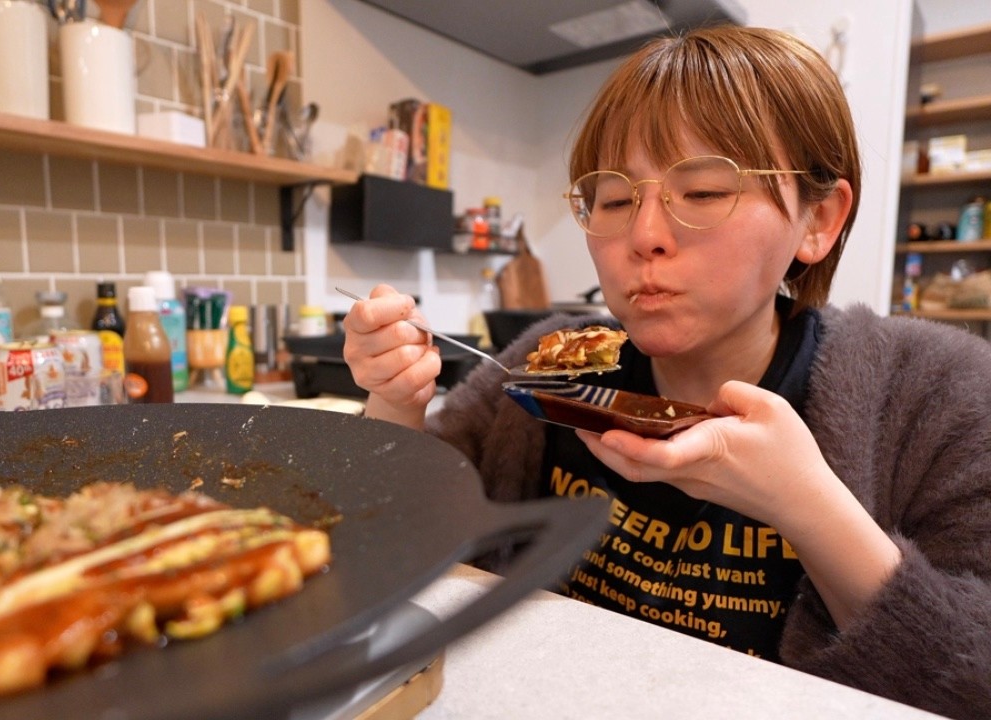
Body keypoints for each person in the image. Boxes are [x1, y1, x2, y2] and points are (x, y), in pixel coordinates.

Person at [341, 25, 991, 719]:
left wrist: (807, 506)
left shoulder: (937, 395)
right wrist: (392, 404)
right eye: (614, 200)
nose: (644, 235)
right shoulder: (541, 365)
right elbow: (366, 547)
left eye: (705, 191)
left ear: (819, 219)